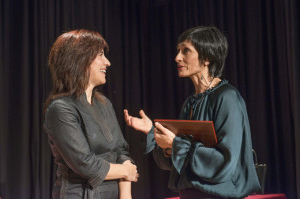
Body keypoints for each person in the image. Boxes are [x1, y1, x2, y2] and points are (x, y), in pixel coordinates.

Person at [124, 26, 261, 198]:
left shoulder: (227, 97)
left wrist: (175, 144)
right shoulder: (191, 102)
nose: (177, 58)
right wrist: (152, 132)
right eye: (178, 51)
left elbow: (224, 162)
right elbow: (176, 161)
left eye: (186, 51)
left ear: (207, 58)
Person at [43, 29, 138, 199]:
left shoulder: (105, 103)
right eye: (100, 54)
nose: (107, 62)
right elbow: (86, 164)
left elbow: (121, 151)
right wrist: (126, 170)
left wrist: (126, 195)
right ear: (79, 59)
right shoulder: (61, 109)